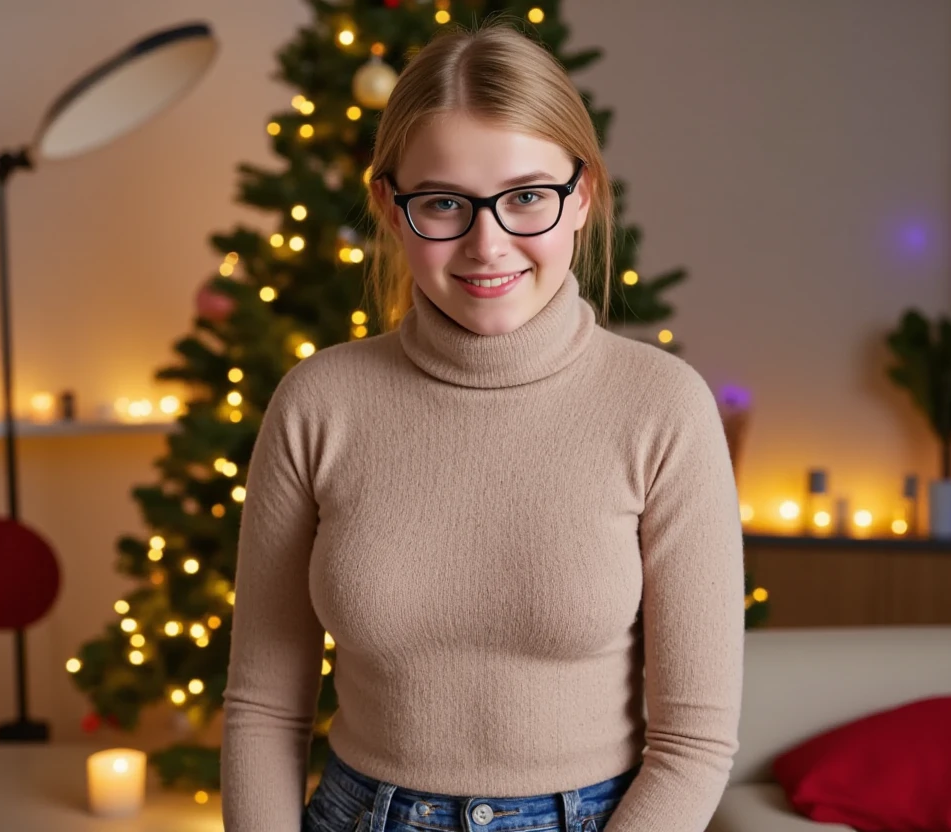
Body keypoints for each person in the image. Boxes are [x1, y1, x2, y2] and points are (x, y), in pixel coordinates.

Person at [220, 20, 745, 832]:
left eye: (527, 196)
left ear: (584, 197)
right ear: (392, 209)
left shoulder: (664, 408)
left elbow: (696, 742)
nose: (486, 245)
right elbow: (261, 708)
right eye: (443, 203)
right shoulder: (317, 403)